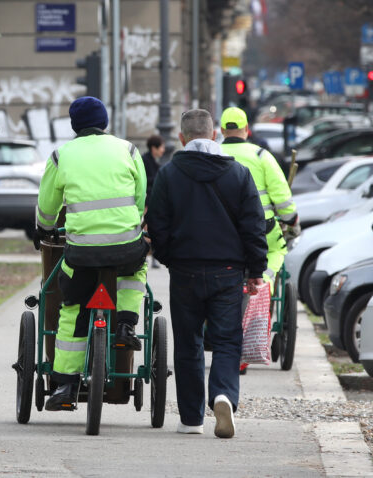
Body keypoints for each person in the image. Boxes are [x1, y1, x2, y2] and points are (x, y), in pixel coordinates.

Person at [146, 109, 267, 438]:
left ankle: (190, 419)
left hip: (185, 269)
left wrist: (169, 257)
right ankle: (224, 394)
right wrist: (255, 269)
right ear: (214, 136)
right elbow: (253, 225)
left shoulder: (170, 174)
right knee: (227, 340)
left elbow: (157, 223)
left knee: (188, 343)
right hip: (228, 271)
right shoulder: (239, 173)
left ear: (182, 139)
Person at [35, 96, 149, 410]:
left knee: (72, 306)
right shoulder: (127, 149)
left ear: (74, 126)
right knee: (135, 269)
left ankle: (65, 387)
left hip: (82, 251)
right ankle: (125, 324)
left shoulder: (61, 155)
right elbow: (140, 199)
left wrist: (44, 229)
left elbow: (47, 208)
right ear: (105, 122)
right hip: (125, 245)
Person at [220, 107, 300, 293]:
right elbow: (283, 200)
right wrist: (292, 222)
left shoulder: (213, 155)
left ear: (222, 131)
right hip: (263, 229)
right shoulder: (261, 156)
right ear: (247, 128)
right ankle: (264, 284)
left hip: (222, 231)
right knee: (276, 251)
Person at [142, 135, 165, 269]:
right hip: (148, 200)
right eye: (161, 147)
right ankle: (146, 255)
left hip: (152, 199)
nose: (163, 150)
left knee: (151, 228)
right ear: (153, 148)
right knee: (147, 228)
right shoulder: (146, 161)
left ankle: (152, 256)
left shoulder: (154, 162)